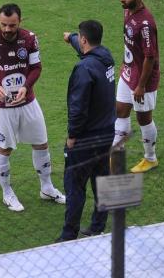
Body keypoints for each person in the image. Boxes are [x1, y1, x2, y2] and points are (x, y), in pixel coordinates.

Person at [0, 3, 65, 212]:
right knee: (4, 149)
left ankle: (47, 188)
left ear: (20, 22)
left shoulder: (30, 39)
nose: (7, 29)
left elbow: (36, 67)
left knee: (41, 143)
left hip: (28, 103)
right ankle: (7, 193)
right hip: (2, 108)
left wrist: (26, 86)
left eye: (11, 25)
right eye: (3, 24)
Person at [56, 20, 116, 241]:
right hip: (107, 133)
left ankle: (68, 235)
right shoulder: (106, 56)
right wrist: (70, 37)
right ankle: (98, 226)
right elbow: (83, 45)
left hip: (86, 138)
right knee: (101, 179)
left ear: (84, 39)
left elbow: (78, 108)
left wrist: (72, 136)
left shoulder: (83, 69)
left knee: (74, 185)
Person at [112, 0, 160, 173]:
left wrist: (141, 85)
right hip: (129, 71)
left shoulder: (145, 24)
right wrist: (125, 62)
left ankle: (150, 158)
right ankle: (117, 154)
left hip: (143, 79)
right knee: (121, 110)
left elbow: (150, 57)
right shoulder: (128, 11)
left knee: (143, 118)